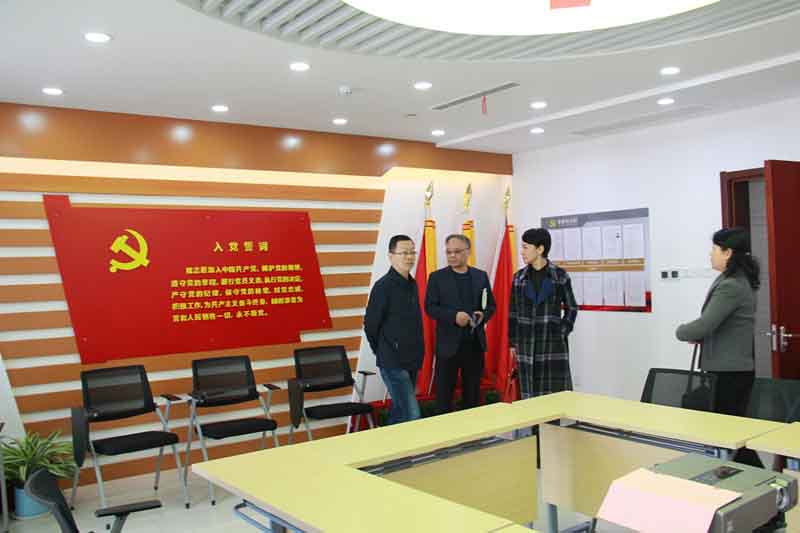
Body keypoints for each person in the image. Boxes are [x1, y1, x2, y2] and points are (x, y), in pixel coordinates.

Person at [675, 227, 762, 466]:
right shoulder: (732, 279)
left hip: (729, 373)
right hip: (729, 369)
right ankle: (753, 479)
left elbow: (705, 324)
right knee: (729, 436)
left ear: (728, 252)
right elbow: (720, 324)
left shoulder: (731, 285)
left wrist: (681, 331)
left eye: (714, 249)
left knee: (731, 438)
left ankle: (766, 481)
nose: (710, 254)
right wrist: (704, 334)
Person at [425, 234, 496, 414]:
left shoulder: (480, 276)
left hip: (474, 344)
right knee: (444, 397)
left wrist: (483, 315)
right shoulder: (437, 277)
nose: (452, 256)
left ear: (468, 252)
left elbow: (491, 306)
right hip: (448, 346)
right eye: (448, 252)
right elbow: (430, 307)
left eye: (457, 252)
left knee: (472, 396)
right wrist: (453, 316)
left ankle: (472, 430)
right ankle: (444, 431)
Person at [509, 228, 578, 400]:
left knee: (555, 398)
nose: (521, 252)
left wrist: (561, 332)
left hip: (552, 345)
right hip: (526, 346)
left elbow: (572, 308)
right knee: (529, 398)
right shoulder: (518, 278)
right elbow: (513, 313)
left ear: (540, 249)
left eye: (525, 247)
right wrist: (512, 343)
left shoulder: (560, 276)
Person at [364, 234, 424, 424]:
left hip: (412, 357)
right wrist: (382, 349)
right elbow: (371, 325)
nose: (410, 257)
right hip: (392, 360)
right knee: (412, 414)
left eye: (412, 252)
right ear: (391, 256)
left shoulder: (412, 284)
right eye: (404, 253)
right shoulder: (383, 286)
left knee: (400, 411)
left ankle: (388, 441)